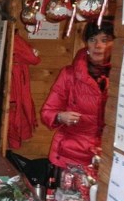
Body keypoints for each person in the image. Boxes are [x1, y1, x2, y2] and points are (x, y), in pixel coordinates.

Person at [40, 20, 115, 170]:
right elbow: (47, 112)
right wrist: (60, 116)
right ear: (86, 43)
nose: (98, 46)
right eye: (92, 39)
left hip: (108, 156)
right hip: (70, 155)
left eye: (104, 40)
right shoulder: (69, 74)